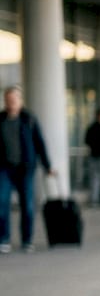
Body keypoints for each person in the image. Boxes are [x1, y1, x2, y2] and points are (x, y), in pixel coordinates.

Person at [0, 86, 55, 253]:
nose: (11, 103)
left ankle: (27, 240)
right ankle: (4, 239)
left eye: (14, 99)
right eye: (8, 100)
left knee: (28, 205)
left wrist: (47, 165)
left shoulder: (29, 119)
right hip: (5, 169)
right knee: (2, 203)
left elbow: (40, 143)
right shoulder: (0, 120)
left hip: (25, 169)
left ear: (20, 101)